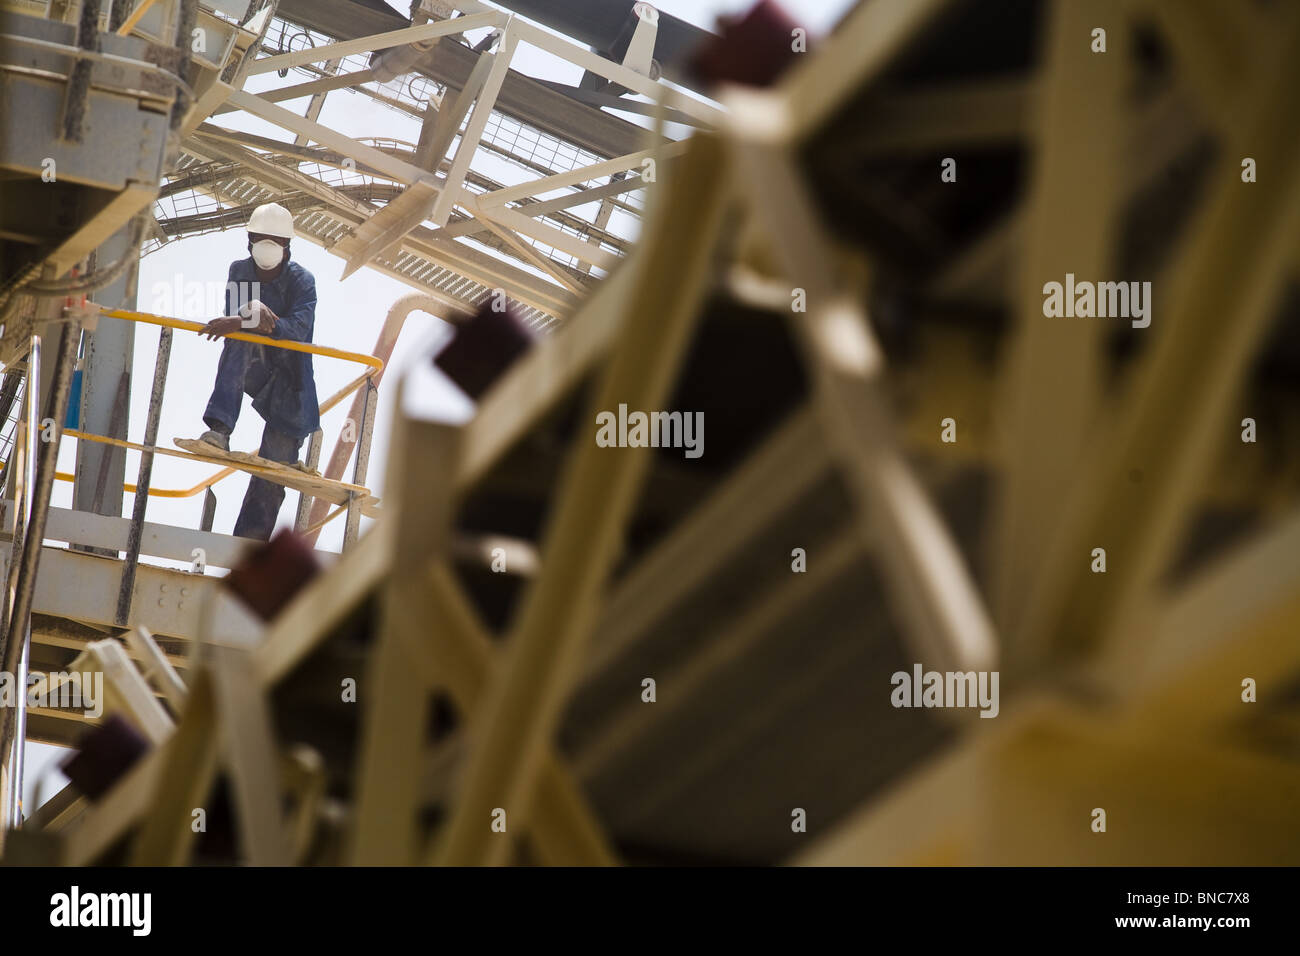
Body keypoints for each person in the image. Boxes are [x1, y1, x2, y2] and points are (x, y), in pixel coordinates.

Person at [195, 202, 319, 540]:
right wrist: (248, 315)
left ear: (287, 247)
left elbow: (297, 328)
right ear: (249, 241)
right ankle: (219, 430)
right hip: (256, 367)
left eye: (274, 240)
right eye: (261, 238)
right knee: (239, 339)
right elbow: (232, 323)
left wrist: (253, 317)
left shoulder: (302, 282)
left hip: (291, 387)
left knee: (271, 473)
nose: (267, 246)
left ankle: (246, 548)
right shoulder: (242, 271)